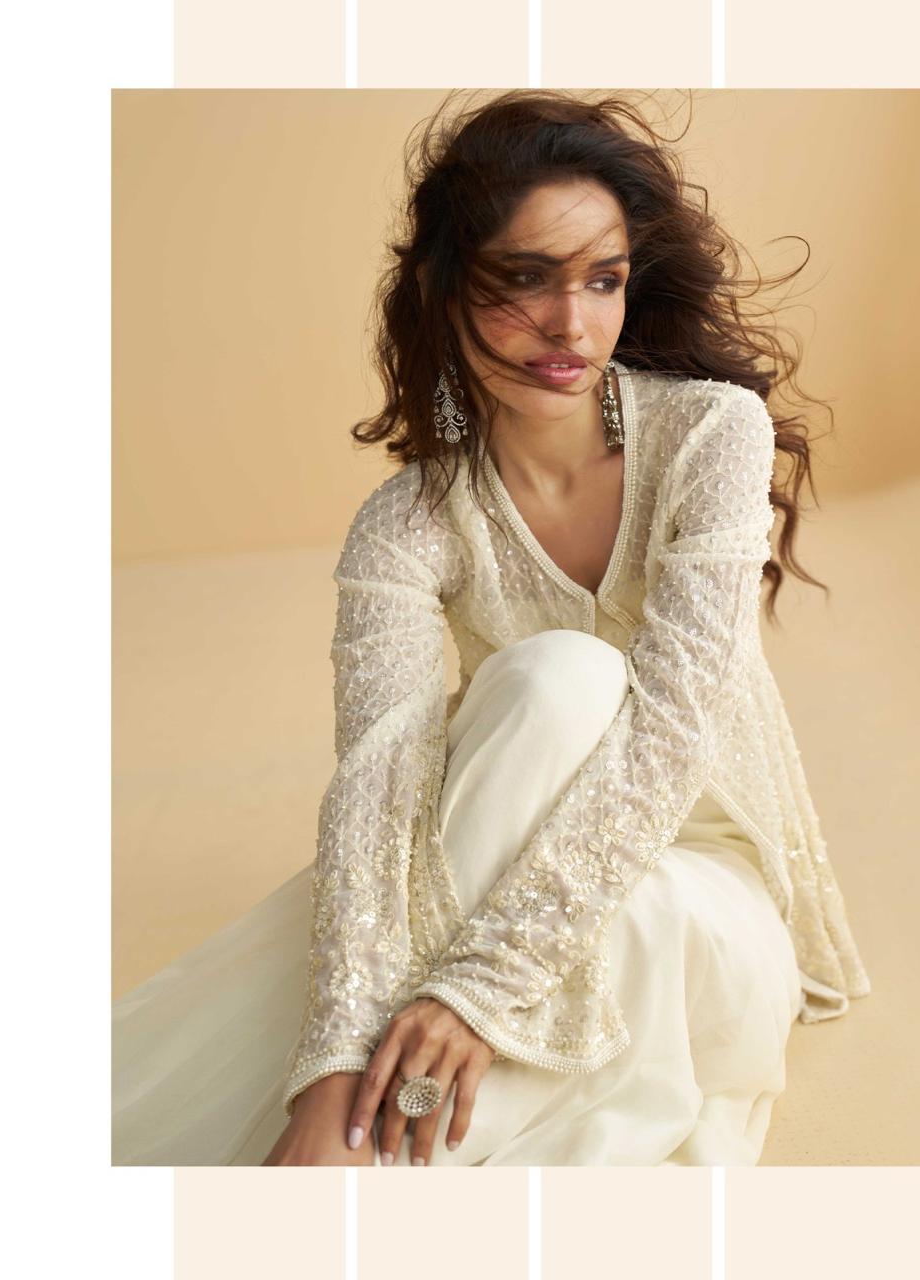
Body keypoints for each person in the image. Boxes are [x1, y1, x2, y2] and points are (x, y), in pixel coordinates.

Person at [111, 89, 870, 1168]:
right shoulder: (406, 526)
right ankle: (336, 1132)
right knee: (534, 701)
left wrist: (470, 991)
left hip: (701, 898)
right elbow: (381, 791)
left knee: (571, 683)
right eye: (525, 281)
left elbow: (670, 734)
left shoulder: (710, 434)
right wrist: (331, 1055)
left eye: (603, 280)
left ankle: (331, 1165)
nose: (573, 327)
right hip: (498, 875)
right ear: (444, 289)